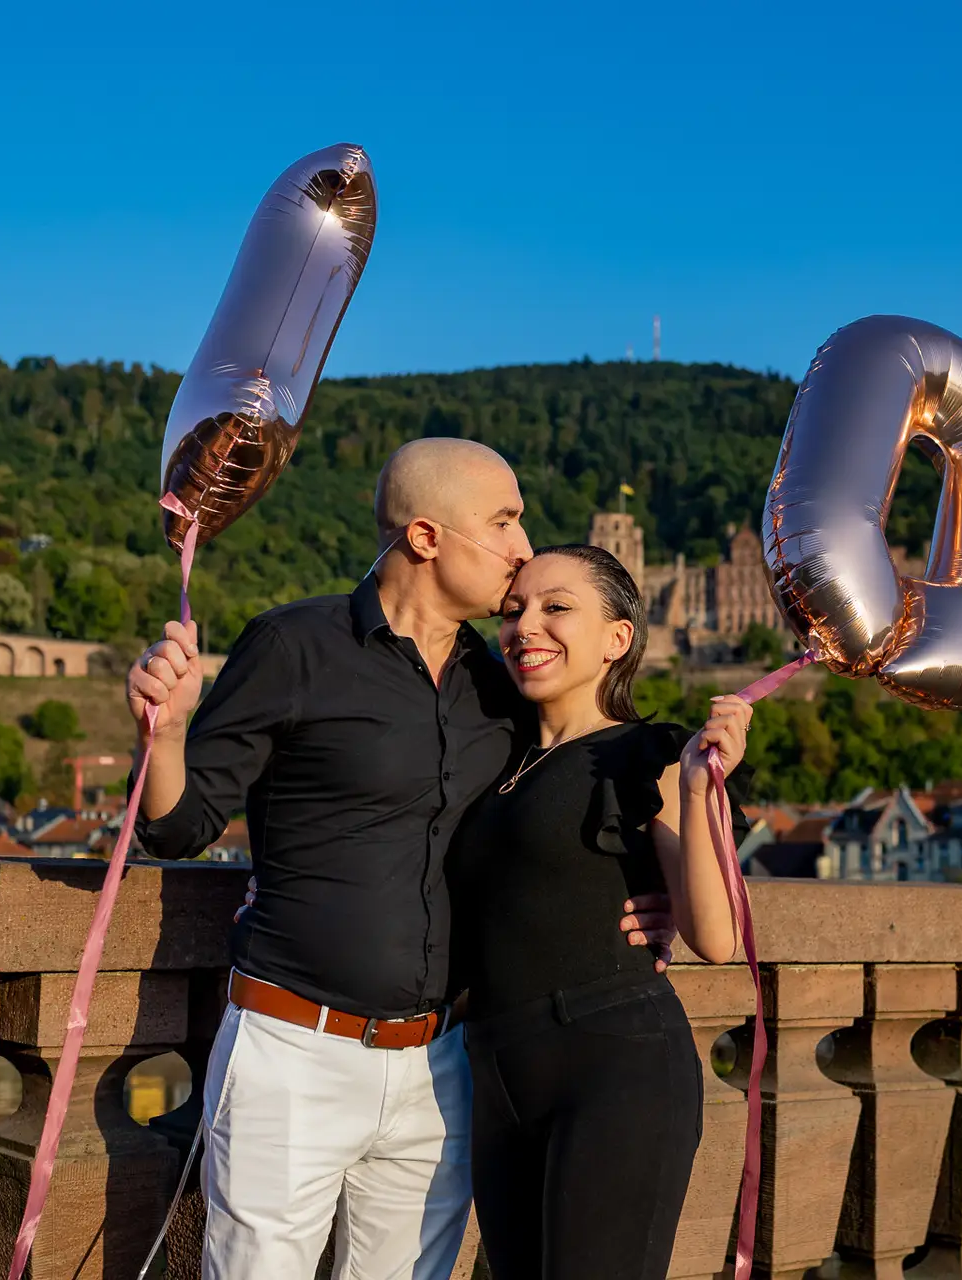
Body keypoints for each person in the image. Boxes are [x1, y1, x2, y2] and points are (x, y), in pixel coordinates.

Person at [124, 438, 675, 1280]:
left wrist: (649, 887)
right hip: (292, 1049)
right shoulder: (293, 646)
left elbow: (561, 805)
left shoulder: (499, 685)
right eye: (504, 521)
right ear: (427, 537)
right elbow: (177, 827)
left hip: (439, 1063)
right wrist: (163, 735)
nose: (523, 547)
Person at [445, 543, 752, 1280]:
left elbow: (716, 938)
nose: (525, 626)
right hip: (496, 1077)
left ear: (618, 638)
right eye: (515, 610)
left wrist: (698, 792)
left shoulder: (650, 752)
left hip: (613, 1066)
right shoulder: (496, 766)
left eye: (557, 608)